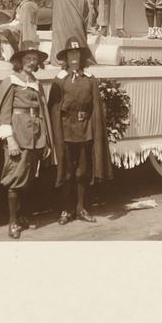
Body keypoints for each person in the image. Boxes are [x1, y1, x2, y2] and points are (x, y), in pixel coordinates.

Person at [47, 36, 114, 225]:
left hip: (85, 131)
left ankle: (80, 208)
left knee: (83, 171)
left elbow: (95, 108)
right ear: (66, 58)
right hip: (67, 132)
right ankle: (65, 210)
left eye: (77, 53)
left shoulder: (91, 80)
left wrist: (94, 130)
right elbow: (54, 110)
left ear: (81, 56)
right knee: (67, 172)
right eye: (71, 54)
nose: (74, 57)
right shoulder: (60, 80)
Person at [0, 40, 53, 239]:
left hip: (35, 137)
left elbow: (42, 112)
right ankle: (12, 221)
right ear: (19, 61)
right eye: (27, 58)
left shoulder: (36, 82)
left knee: (28, 179)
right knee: (15, 178)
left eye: (34, 59)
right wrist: (9, 139)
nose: (31, 62)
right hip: (18, 137)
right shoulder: (11, 81)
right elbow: (4, 113)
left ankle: (22, 216)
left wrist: (45, 139)